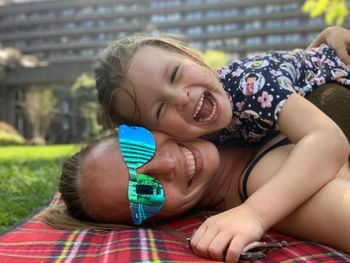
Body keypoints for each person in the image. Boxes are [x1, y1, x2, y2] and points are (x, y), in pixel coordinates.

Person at [93, 25, 350, 260]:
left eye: (139, 147)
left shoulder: (251, 87)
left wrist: (254, 213)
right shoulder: (212, 123)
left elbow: (327, 139)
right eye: (143, 192)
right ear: (155, 127)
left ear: (191, 55)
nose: (180, 97)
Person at [43, 122, 350, 262]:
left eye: (138, 147)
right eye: (144, 192)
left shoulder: (242, 116)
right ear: (156, 221)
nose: (165, 165)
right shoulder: (269, 187)